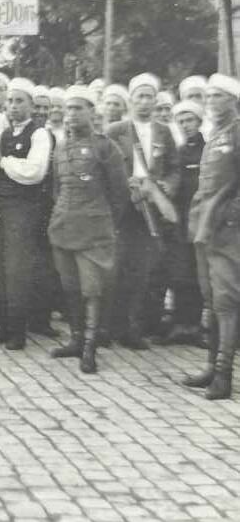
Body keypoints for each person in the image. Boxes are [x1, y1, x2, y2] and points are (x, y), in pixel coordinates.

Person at [47, 85, 130, 374]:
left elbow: (119, 194)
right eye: (68, 108)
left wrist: (104, 221)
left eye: (77, 108)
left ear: (92, 112)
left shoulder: (107, 147)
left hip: (94, 230)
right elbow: (57, 188)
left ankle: (90, 347)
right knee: (70, 287)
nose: (70, 115)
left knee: (91, 288)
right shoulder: (60, 147)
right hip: (64, 226)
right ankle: (76, 338)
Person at [105, 72, 180, 348]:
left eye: (150, 97)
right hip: (123, 209)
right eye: (140, 97)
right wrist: (123, 185)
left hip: (150, 209)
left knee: (140, 270)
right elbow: (106, 168)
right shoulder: (116, 131)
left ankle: (131, 328)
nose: (145, 102)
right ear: (131, 100)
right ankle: (108, 327)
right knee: (116, 267)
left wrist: (164, 187)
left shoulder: (164, 131)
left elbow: (174, 169)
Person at [0, 77, 53, 350]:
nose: (13, 106)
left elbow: (35, 172)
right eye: (10, 101)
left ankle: (18, 330)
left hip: (24, 209)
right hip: (1, 207)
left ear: (31, 105)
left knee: (17, 269)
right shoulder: (2, 134)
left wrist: (4, 162)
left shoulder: (39, 134)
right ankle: (2, 324)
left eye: (19, 101)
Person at [183, 74, 240, 399]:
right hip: (204, 227)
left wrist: (229, 217)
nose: (212, 102)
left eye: (218, 96)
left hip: (227, 230)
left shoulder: (237, 131)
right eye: (209, 97)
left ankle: (224, 375)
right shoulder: (214, 134)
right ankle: (210, 366)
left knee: (227, 301)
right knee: (211, 299)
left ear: (233, 101)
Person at [155, 99, 206, 345]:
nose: (186, 125)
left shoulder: (208, 149)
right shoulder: (178, 152)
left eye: (190, 120)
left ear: (199, 121)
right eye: (182, 121)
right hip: (180, 219)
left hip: (203, 219)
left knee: (198, 274)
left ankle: (194, 326)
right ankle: (179, 324)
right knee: (180, 272)